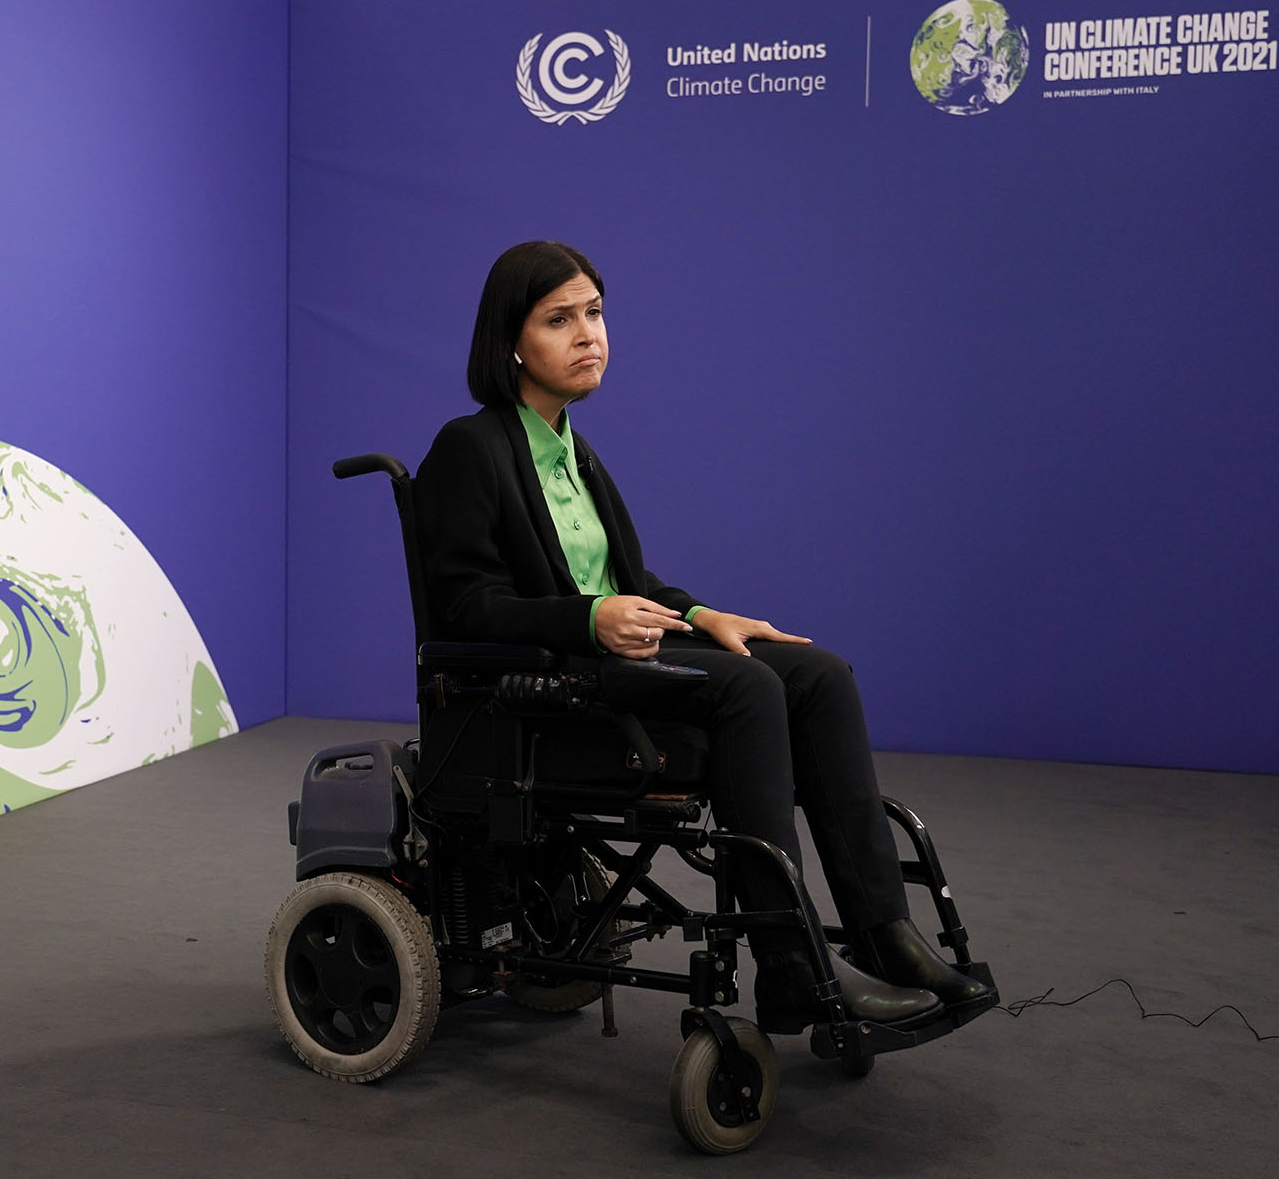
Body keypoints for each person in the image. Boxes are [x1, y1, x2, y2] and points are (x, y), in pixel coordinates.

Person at [413, 240, 997, 1029]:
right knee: (748, 691)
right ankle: (790, 968)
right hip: (547, 690)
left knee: (814, 672)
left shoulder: (573, 454)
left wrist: (701, 616)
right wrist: (588, 618)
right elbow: (466, 607)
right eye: (560, 319)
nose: (589, 335)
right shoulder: (470, 448)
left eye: (594, 313)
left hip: (608, 659)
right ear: (512, 342)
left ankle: (885, 934)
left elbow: (629, 586)